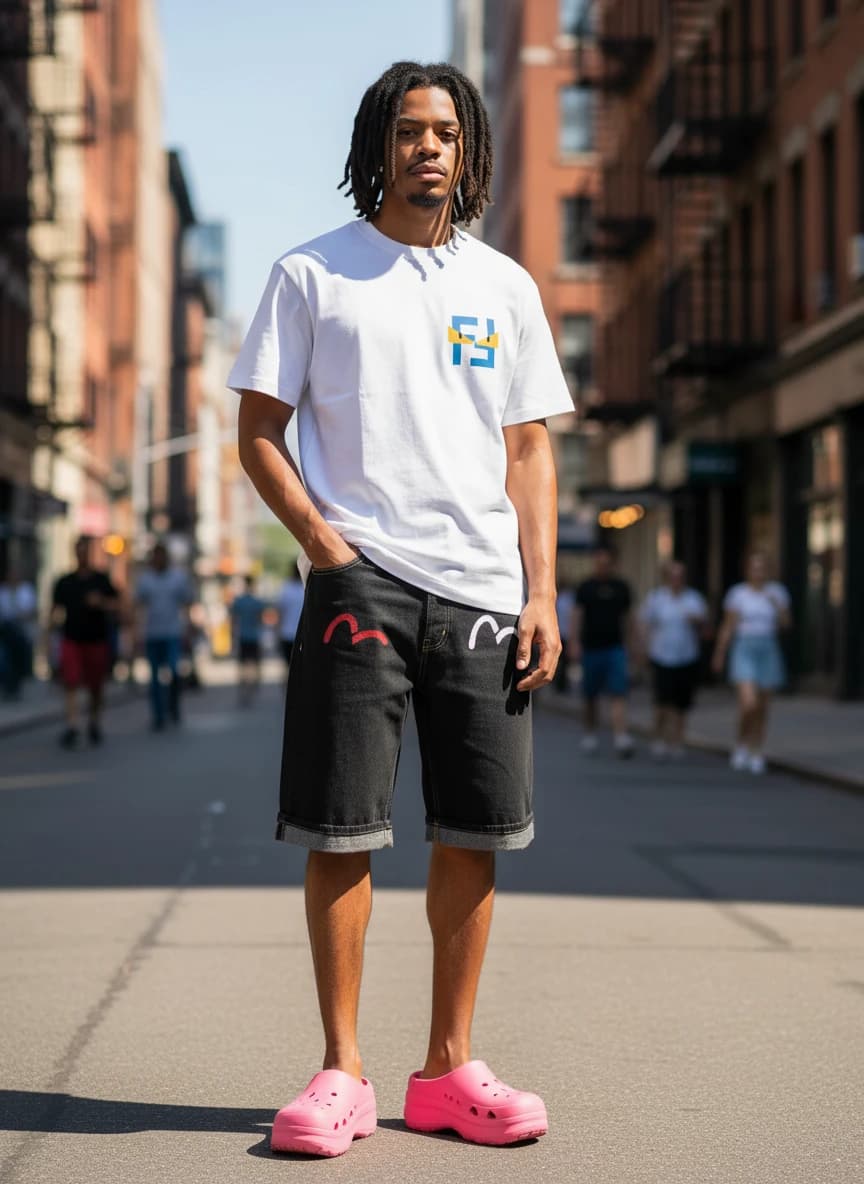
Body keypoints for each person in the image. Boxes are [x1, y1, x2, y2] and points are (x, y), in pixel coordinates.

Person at [230, 60, 573, 1156]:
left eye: (446, 132)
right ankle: (342, 1069)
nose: (429, 147)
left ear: (468, 148)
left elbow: (529, 450)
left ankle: (448, 1067)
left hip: (483, 595)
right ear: (380, 144)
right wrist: (327, 547)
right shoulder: (313, 274)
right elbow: (257, 432)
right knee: (342, 828)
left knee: (475, 831)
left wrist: (542, 588)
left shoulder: (506, 288)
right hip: (360, 583)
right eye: (410, 130)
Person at [712, 550, 791, 775]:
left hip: (767, 647)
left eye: (762, 568)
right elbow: (728, 626)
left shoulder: (777, 592)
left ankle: (757, 749)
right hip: (744, 647)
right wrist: (719, 653)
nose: (758, 572)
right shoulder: (738, 594)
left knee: (763, 706)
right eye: (754, 568)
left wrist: (776, 604)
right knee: (748, 704)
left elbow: (786, 624)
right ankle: (740, 743)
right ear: (748, 570)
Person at [51, 536, 119, 747]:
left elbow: (118, 604)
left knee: (95, 686)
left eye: (85, 551)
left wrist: (101, 602)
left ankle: (93, 722)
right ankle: (72, 725)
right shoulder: (64, 582)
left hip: (96, 639)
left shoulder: (101, 580)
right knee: (70, 682)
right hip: (71, 639)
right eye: (78, 551)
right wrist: (48, 641)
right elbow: (54, 613)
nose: (82, 556)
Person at [639, 560, 708, 759]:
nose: (676, 580)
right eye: (673, 576)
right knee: (662, 701)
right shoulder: (656, 599)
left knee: (681, 703)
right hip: (662, 656)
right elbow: (644, 624)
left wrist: (699, 622)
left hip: (686, 656)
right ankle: (659, 738)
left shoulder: (694, 599)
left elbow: (706, 629)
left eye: (680, 576)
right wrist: (642, 649)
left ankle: (677, 739)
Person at [571, 545, 634, 757]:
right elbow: (577, 616)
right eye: (599, 563)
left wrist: (633, 645)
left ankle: (620, 735)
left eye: (606, 563)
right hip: (591, 648)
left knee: (618, 692)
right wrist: (574, 642)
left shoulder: (621, 587)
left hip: (615, 648)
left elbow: (628, 618)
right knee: (591, 695)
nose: (603, 567)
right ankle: (590, 732)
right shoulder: (585, 587)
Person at [135, 542, 194, 731]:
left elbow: (187, 602)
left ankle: (173, 706)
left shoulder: (178, 578)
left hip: (172, 633)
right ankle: (158, 715)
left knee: (173, 672)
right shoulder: (146, 580)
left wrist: (189, 626)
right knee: (154, 677)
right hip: (152, 634)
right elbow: (138, 606)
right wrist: (136, 632)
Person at [0, 569, 37, 699]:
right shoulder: (3, 591)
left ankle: (17, 683)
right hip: (6, 631)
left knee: (19, 658)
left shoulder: (26, 590)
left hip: (22, 631)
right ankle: (8, 685)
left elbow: (31, 611)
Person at [231, 575, 266, 705]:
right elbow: (261, 620)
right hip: (255, 636)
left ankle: (244, 688)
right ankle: (252, 686)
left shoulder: (239, 601)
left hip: (243, 636)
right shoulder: (257, 602)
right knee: (254, 663)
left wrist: (233, 636)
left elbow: (234, 620)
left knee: (243, 664)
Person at [278, 562, 305, 675]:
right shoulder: (307, 588)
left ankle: (288, 688)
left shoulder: (286, 589)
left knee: (289, 665)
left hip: (287, 633)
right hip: (304, 635)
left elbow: (280, 612)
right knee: (302, 666)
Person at [553, 585, 574, 694]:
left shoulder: (562, 600)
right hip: (562, 634)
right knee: (562, 662)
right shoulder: (566, 600)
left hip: (562, 634)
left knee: (563, 662)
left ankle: (560, 683)